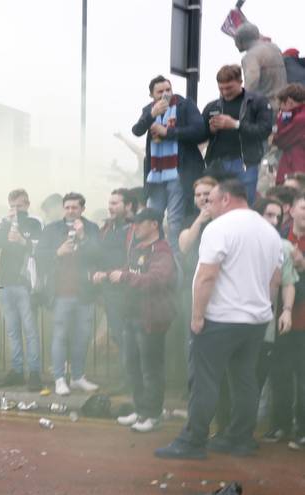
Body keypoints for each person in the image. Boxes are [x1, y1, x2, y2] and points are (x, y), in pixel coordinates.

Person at [155, 177, 282, 460]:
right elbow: (274, 280)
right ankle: (240, 438)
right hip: (256, 319)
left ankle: (193, 441)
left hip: (221, 318)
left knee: (204, 380)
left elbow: (206, 276)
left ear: (226, 199)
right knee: (245, 379)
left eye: (211, 200)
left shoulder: (219, 228)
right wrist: (264, 308)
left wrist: (197, 317)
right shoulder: (269, 231)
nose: (207, 206)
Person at [109, 208, 176, 433]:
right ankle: (140, 411)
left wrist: (125, 276)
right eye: (134, 223)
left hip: (151, 319)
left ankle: (153, 415)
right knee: (133, 368)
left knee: (151, 370)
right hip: (131, 316)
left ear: (154, 225)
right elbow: (128, 271)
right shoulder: (138, 248)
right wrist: (109, 274)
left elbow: (156, 280)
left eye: (140, 223)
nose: (135, 227)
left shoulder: (162, 251)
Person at [36, 193, 101, 396]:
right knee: (60, 336)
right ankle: (59, 379)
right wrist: (58, 252)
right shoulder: (52, 229)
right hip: (60, 292)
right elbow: (39, 256)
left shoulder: (91, 228)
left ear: (82, 209)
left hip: (84, 292)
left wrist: (83, 237)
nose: (71, 211)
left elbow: (98, 254)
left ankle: (78, 377)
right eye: (67, 207)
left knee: (82, 337)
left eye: (75, 207)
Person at [131, 76, 206, 252]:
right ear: (152, 95)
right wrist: (152, 115)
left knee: (174, 221)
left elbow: (199, 131)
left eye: (168, 90)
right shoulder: (149, 110)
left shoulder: (184, 105)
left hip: (178, 172)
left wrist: (168, 132)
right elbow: (137, 130)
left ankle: (173, 260)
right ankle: (152, 255)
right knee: (151, 219)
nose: (165, 94)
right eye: (160, 91)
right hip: (156, 174)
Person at [0, 189, 43, 391]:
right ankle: (17, 371)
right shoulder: (4, 223)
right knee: (12, 331)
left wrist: (23, 241)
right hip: (6, 282)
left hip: (25, 284)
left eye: (19, 206)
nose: (15, 210)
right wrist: (5, 223)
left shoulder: (34, 223)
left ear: (27, 204)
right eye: (12, 206)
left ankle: (35, 373)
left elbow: (42, 249)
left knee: (30, 331)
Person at [202, 65, 274, 205]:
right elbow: (200, 135)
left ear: (240, 82)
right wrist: (211, 130)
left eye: (229, 88)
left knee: (244, 203)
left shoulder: (257, 101)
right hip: (217, 163)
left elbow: (265, 130)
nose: (225, 92)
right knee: (215, 204)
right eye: (221, 88)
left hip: (245, 162)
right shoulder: (212, 106)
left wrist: (236, 125)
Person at [269, 192, 305, 448]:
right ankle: (280, 425)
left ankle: (302, 429)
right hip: (280, 319)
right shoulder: (278, 238)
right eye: (303, 207)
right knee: (279, 374)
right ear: (291, 210)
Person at [92, 189, 135, 373]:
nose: (111, 207)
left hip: (129, 289)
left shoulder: (135, 229)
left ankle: (133, 379)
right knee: (118, 334)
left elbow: (134, 259)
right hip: (109, 290)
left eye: (115, 203)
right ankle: (127, 378)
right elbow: (98, 255)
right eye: (110, 203)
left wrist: (109, 273)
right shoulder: (106, 229)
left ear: (128, 206)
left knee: (129, 336)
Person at [234, 22, 288, 110]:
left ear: (240, 40)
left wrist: (243, 104)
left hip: (264, 107)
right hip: (283, 103)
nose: (235, 44)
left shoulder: (250, 56)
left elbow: (252, 82)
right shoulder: (274, 48)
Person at [273, 84, 305, 185]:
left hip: (296, 164)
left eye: (281, 105)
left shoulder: (300, 119)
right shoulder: (296, 115)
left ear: (289, 102)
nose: (280, 109)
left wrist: (283, 116)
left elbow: (281, 140)